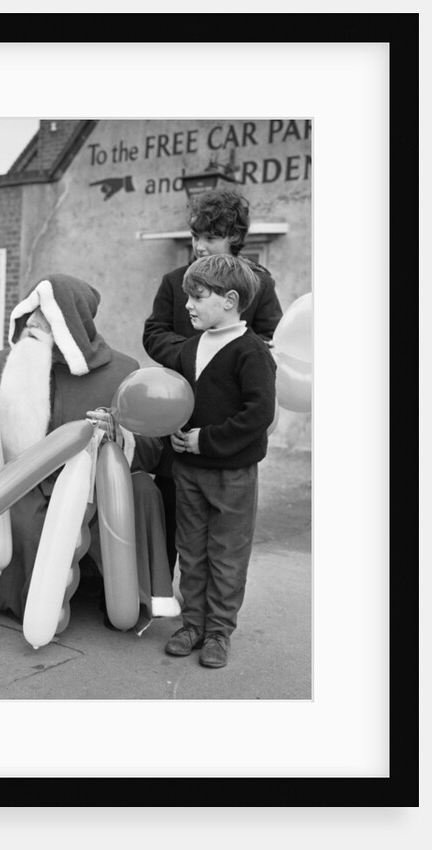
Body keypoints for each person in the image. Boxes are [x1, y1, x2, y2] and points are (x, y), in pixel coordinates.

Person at [0, 273, 179, 625]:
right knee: (22, 516)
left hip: (98, 482)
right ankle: (24, 600)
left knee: (143, 491)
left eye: (45, 313)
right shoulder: (8, 361)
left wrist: (119, 435)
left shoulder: (123, 369)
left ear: (72, 322)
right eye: (31, 309)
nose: (32, 321)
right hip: (30, 482)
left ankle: (130, 601)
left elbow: (153, 449)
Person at [142, 188, 283, 577]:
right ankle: (158, 595)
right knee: (172, 510)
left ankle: (212, 617)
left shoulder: (260, 284)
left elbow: (273, 340)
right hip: (176, 414)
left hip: (225, 422)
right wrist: (196, 352)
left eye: (210, 237)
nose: (199, 245)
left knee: (222, 533)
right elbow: (153, 333)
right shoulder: (176, 281)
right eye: (195, 236)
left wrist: (225, 358)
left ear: (234, 238)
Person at [163, 253, 277, 668]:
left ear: (230, 299)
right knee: (190, 552)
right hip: (188, 472)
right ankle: (192, 623)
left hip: (232, 474)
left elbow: (258, 413)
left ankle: (218, 631)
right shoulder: (190, 347)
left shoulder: (251, 352)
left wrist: (205, 441)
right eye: (187, 296)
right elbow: (170, 399)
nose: (188, 304)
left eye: (197, 296)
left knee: (227, 555)